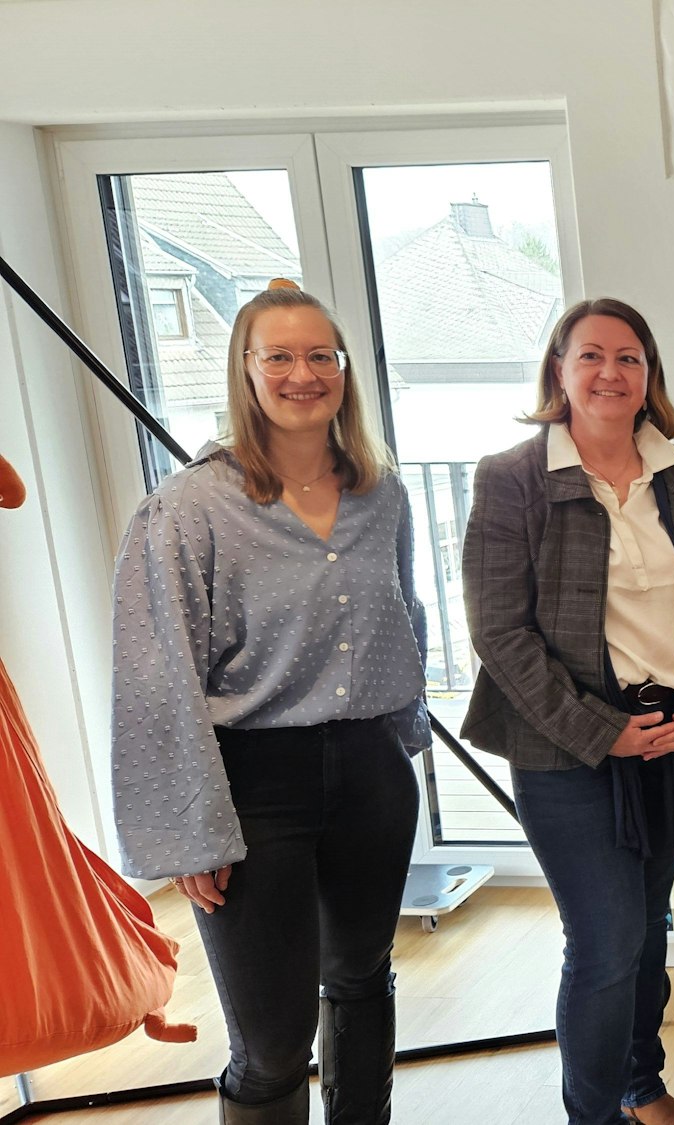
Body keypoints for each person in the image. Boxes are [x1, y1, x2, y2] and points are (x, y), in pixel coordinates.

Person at [110, 284, 429, 1124]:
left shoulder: (381, 494)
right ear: (245, 370)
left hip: (371, 770)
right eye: (279, 356)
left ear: (344, 370)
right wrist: (190, 828)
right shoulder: (189, 507)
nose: (303, 374)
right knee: (272, 1040)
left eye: (321, 355)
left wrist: (404, 740)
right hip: (253, 785)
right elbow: (156, 676)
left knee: (362, 979)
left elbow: (405, 613)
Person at [461, 298, 674, 1125]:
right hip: (564, 748)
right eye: (591, 355)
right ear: (559, 370)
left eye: (628, 357)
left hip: (669, 739)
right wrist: (599, 729)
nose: (610, 372)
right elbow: (499, 632)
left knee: (647, 929)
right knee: (607, 941)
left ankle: (640, 1084)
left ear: (650, 376)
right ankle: (593, 1116)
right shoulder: (512, 478)